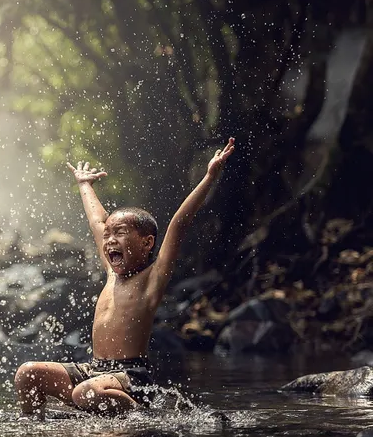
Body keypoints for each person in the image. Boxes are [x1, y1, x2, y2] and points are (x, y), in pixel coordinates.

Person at [14, 138, 236, 418]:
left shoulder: (152, 278)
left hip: (130, 375)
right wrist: (84, 185)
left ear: (146, 243)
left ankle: (143, 417)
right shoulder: (111, 272)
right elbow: (98, 221)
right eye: (108, 236)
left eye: (119, 233)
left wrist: (209, 177)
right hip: (94, 371)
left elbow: (179, 222)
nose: (109, 240)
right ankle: (34, 429)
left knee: (85, 392)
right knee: (28, 373)